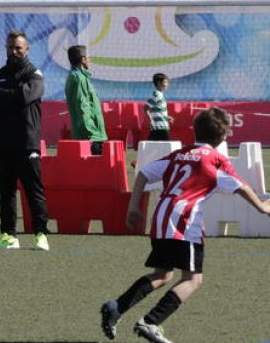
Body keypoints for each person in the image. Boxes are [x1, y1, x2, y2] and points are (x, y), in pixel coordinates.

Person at [99, 108, 270, 343]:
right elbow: (240, 187)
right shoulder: (216, 159)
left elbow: (143, 175)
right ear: (222, 138)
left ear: (195, 131)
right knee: (192, 279)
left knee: (162, 274)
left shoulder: (179, 154)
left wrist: (133, 206)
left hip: (160, 218)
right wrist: (262, 206)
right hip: (184, 223)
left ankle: (116, 307)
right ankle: (151, 322)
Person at [0, 30, 51, 251]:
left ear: (26, 49)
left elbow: (25, 96)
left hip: (26, 142)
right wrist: (11, 95)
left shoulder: (34, 74)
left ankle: (40, 233)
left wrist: (3, 95)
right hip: (2, 142)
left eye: (18, 48)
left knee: (33, 190)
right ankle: (9, 235)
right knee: (6, 192)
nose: (13, 51)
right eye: (10, 47)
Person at [65, 45, 107, 155]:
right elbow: (82, 106)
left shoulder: (80, 77)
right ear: (83, 59)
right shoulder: (78, 78)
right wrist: (91, 133)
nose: (90, 59)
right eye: (88, 57)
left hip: (92, 134)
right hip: (91, 136)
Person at [145, 73, 172, 142]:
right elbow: (146, 108)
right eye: (165, 82)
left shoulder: (160, 95)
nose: (167, 84)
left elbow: (158, 111)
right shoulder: (157, 95)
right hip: (159, 127)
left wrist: (166, 117)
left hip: (161, 126)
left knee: (152, 146)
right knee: (167, 147)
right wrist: (151, 120)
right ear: (159, 83)